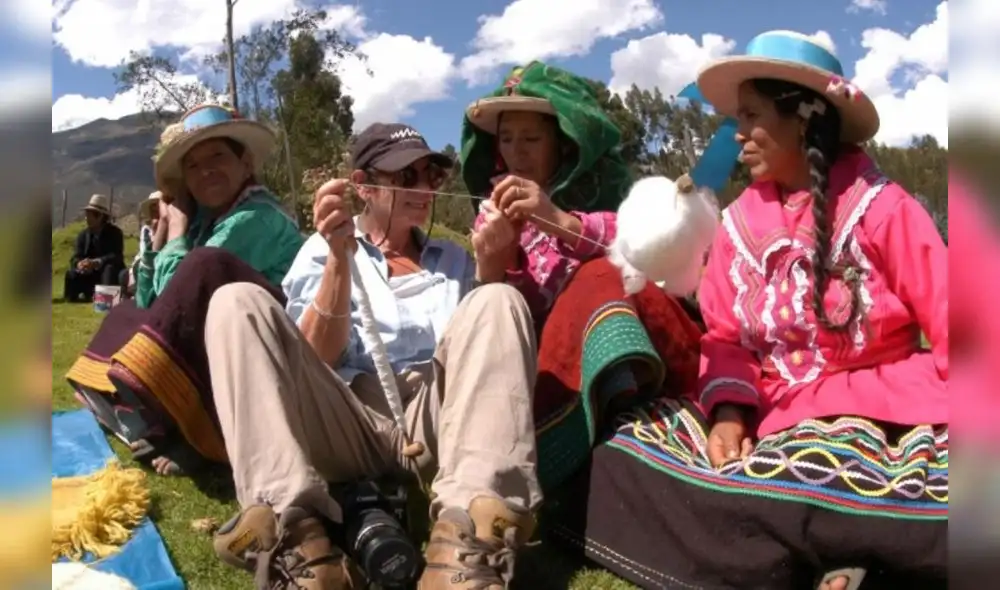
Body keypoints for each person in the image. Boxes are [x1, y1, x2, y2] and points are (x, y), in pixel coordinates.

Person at [552, 31, 948, 590]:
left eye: (751, 115)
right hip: (774, 415)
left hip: (880, 409)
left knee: (848, 471)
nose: (737, 134)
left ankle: (819, 546)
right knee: (621, 456)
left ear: (804, 120)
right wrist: (731, 413)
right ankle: (847, 549)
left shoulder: (884, 210)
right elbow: (724, 337)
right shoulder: (736, 226)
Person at [204, 122, 541, 590]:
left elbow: (483, 358)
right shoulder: (320, 249)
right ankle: (295, 540)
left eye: (431, 175)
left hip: (434, 417)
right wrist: (338, 260)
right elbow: (317, 357)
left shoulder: (454, 258)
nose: (424, 188)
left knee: (498, 299)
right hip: (347, 418)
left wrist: (490, 268)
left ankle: (470, 540)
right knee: (234, 301)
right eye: (407, 177)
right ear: (363, 186)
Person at [460, 61, 705, 491]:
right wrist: (494, 260)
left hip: (646, 352)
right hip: (554, 371)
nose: (517, 152)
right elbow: (502, 315)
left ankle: (643, 420)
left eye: (532, 139)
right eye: (507, 138)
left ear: (563, 142)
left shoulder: (608, 190)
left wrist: (559, 220)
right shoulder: (492, 211)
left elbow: (643, 246)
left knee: (601, 275)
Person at [65, 104, 304, 476]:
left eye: (217, 156)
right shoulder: (206, 223)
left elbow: (181, 295)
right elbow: (149, 302)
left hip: (269, 347)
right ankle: (155, 413)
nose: (205, 170)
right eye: (192, 165)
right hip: (215, 337)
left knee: (205, 264)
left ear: (245, 165)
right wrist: (163, 234)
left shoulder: (256, 218)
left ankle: (202, 434)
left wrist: (177, 236)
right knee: (126, 311)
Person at [63, 194, 125, 302]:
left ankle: (105, 299)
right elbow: (75, 257)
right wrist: (80, 264)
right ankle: (73, 297)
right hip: (89, 274)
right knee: (71, 274)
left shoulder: (115, 233)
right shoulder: (83, 235)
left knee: (109, 269)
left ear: (99, 216)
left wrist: (97, 262)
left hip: (106, 273)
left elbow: (116, 256)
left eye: (89, 215)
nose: (86, 218)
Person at [118, 191, 161, 299]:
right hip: (144, 262)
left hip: (157, 262)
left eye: (157, 209)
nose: (155, 213)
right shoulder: (146, 230)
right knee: (124, 275)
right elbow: (143, 250)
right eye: (152, 210)